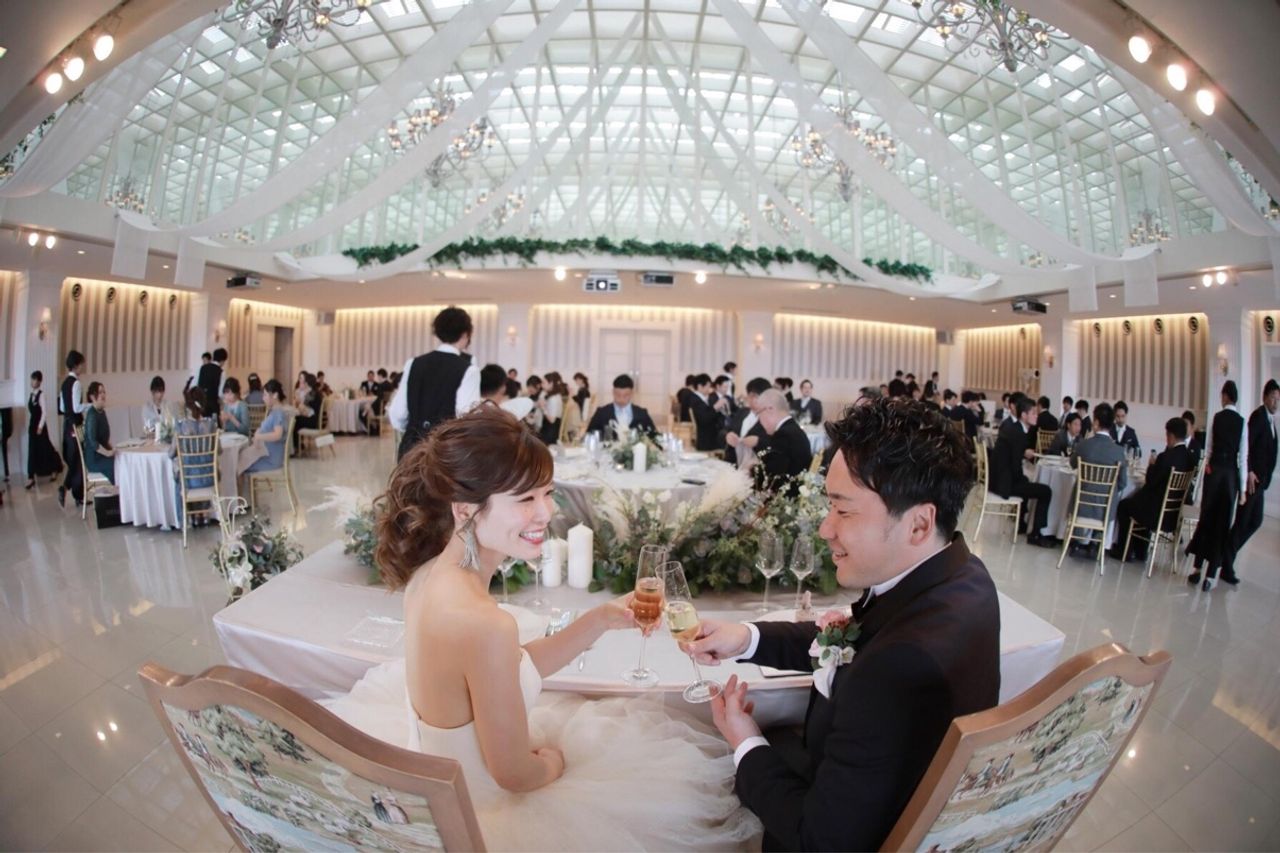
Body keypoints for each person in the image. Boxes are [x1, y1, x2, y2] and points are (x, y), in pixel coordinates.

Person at [321, 408, 760, 850]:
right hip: (481, 815)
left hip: (442, 780)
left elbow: (508, 668)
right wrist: (554, 762)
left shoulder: (429, 577)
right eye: (525, 499)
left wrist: (601, 619)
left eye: (548, 494)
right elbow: (514, 774)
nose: (546, 512)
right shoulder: (484, 622)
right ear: (465, 509)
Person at [686, 397, 1000, 850]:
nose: (825, 529)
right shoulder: (961, 575)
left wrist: (745, 741)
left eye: (844, 511)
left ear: (918, 524)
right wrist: (746, 638)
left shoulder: (898, 667)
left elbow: (818, 840)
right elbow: (859, 637)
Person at [391, 306, 481, 459]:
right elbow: (466, 416)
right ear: (466, 333)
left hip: (411, 449)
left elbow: (398, 413)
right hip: (445, 451)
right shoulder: (468, 369)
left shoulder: (413, 363)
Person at [1186, 382, 1248, 590]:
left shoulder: (1217, 418)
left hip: (1214, 473)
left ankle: (1196, 569)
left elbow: (1210, 448)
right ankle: (1211, 575)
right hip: (1230, 477)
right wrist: (1242, 490)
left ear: (1225, 396)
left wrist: (1208, 467)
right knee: (1222, 525)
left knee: (1206, 519)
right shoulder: (1242, 422)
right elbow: (1243, 457)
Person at [1108, 418, 1195, 562]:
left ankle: (1124, 550)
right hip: (1174, 514)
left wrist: (1151, 465)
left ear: (1171, 436)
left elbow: (1151, 481)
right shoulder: (1189, 458)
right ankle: (1141, 551)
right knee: (1140, 502)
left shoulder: (1165, 457)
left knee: (1124, 505)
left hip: (1156, 514)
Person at [1221, 379, 1278, 585]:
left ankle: (1227, 554)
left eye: (1278, 399)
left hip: (1261, 483)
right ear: (1265, 397)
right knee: (1244, 521)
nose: (1276, 403)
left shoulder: (1270, 421)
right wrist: (1250, 470)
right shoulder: (1258, 417)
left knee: (1255, 521)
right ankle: (1227, 563)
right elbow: (1246, 446)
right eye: (1273, 398)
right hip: (1252, 482)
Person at [991, 397, 1056, 547]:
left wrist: (1022, 454)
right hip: (1005, 484)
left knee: (1027, 481)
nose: (1036, 416)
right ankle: (1036, 534)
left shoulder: (1015, 429)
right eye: (1033, 413)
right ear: (1024, 415)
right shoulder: (1019, 434)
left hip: (998, 480)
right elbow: (1015, 468)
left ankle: (1021, 523)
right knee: (1046, 491)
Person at [1068, 402, 1128, 560]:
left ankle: (1075, 541)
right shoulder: (1118, 451)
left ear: (1095, 422)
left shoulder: (1084, 445)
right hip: (1105, 508)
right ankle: (1095, 542)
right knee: (1111, 495)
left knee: (1078, 488)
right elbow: (1123, 483)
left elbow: (1072, 464)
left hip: (1082, 505)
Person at [172, 388, 218, 528]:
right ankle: (204, 513)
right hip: (209, 478)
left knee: (178, 474)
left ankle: (184, 520)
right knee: (203, 465)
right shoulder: (211, 424)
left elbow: (171, 453)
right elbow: (219, 450)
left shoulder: (181, 426)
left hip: (189, 481)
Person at [754, 389, 812, 492]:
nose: (759, 420)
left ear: (770, 409)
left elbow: (772, 477)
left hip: (787, 495)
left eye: (758, 414)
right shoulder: (793, 429)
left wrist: (751, 470)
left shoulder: (783, 435)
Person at [241, 380, 289, 480]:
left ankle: (239, 490)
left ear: (275, 395)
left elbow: (277, 435)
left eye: (265, 395)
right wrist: (258, 432)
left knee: (240, 464)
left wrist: (259, 436)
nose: (263, 398)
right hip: (267, 454)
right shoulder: (275, 411)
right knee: (241, 460)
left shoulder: (277, 413)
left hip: (270, 459)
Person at [58, 350, 88, 507]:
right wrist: (90, 406)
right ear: (76, 365)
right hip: (77, 425)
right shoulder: (76, 383)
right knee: (80, 458)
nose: (83, 367)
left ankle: (73, 492)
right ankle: (73, 492)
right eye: (81, 364)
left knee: (75, 459)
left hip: (67, 425)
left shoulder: (64, 384)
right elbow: (77, 408)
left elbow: (62, 408)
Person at [585, 375, 658, 439]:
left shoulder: (641, 414)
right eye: (618, 395)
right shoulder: (602, 413)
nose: (621, 399)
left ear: (632, 393)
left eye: (626, 395)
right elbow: (588, 436)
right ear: (613, 392)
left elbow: (655, 437)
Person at [25, 371, 63, 489]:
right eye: (32, 379)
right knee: (32, 450)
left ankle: (55, 468)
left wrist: (40, 427)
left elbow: (44, 412)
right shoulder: (31, 395)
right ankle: (30, 477)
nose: (33, 382)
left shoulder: (41, 395)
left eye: (36, 380)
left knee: (46, 448)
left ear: (40, 382)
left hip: (40, 427)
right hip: (32, 426)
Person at [723, 377, 772, 466]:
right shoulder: (742, 412)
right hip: (732, 464)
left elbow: (776, 443)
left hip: (756, 466)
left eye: (757, 396)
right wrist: (727, 435)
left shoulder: (771, 418)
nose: (754, 400)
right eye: (751, 395)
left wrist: (758, 442)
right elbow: (726, 430)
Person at [82, 382, 116, 485]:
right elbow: (93, 442)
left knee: (120, 460)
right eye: (100, 392)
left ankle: (122, 489)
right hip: (94, 459)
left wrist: (113, 449)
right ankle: (120, 489)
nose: (103, 395)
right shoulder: (92, 415)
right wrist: (108, 453)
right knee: (116, 464)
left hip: (101, 455)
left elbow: (104, 440)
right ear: (92, 397)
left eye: (104, 392)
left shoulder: (101, 412)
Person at [688, 373, 722, 452]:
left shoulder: (699, 398)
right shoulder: (695, 400)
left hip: (707, 429)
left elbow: (707, 412)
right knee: (725, 435)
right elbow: (704, 418)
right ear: (700, 386)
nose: (710, 389)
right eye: (708, 386)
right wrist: (715, 407)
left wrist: (716, 409)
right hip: (706, 434)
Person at [292, 372, 322, 455]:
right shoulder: (314, 392)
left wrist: (299, 399)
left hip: (312, 421)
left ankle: (296, 447)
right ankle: (298, 445)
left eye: (305, 382)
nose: (303, 383)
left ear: (308, 383)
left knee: (294, 421)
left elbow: (303, 408)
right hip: (313, 419)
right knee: (296, 420)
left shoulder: (311, 394)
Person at [538, 373, 568, 445]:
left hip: (550, 433)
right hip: (550, 429)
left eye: (544, 383)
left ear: (551, 384)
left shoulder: (553, 398)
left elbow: (552, 420)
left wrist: (543, 408)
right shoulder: (553, 395)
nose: (541, 385)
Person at [199, 348, 227, 419]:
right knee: (215, 424)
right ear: (222, 360)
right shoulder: (221, 372)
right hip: (213, 404)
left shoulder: (203, 368)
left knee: (204, 424)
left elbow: (199, 385)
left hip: (202, 403)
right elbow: (221, 392)